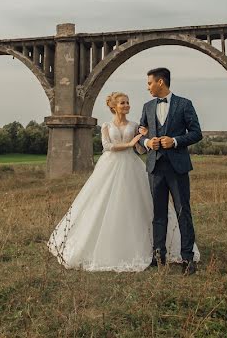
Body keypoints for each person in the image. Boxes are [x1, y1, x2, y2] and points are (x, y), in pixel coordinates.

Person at [47, 91, 198, 272]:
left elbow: (141, 150)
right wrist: (129, 144)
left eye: (127, 102)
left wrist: (146, 140)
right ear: (114, 106)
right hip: (110, 166)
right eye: (122, 103)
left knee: (136, 205)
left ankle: (157, 249)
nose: (126, 105)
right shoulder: (106, 125)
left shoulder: (135, 125)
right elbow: (107, 146)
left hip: (131, 165)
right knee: (103, 203)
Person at [139, 67, 203, 275]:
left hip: (178, 167)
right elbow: (140, 135)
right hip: (155, 168)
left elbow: (196, 133)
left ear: (160, 82)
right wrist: (149, 142)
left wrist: (174, 141)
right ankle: (159, 257)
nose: (147, 87)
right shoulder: (147, 107)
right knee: (158, 214)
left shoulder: (185, 104)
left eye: (149, 83)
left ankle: (187, 259)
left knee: (183, 211)